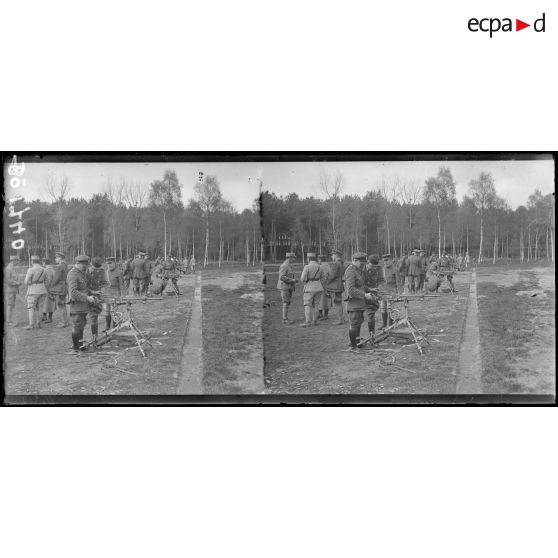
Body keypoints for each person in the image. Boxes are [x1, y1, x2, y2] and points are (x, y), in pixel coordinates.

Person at [343, 252, 378, 351]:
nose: (363, 265)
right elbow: (351, 290)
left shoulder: (359, 271)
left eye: (363, 263)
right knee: (354, 324)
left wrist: (370, 289)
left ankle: (358, 343)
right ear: (354, 260)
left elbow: (361, 286)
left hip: (360, 303)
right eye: (361, 263)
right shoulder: (350, 271)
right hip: (353, 303)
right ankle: (353, 346)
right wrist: (365, 295)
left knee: (358, 323)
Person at [67, 255, 98, 352]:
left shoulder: (80, 273)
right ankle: (76, 349)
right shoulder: (73, 274)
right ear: (77, 264)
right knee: (76, 326)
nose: (86, 268)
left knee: (82, 325)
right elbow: (73, 292)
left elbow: (83, 288)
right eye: (84, 266)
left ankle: (80, 345)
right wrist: (87, 298)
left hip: (83, 305)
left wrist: (92, 292)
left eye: (86, 266)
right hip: (76, 306)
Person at [86, 256, 109, 344]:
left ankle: (94, 338)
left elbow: (105, 283)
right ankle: (79, 340)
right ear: (91, 265)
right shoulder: (86, 271)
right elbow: (83, 286)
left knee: (93, 318)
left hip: (96, 298)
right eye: (95, 269)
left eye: (98, 269)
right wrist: (92, 292)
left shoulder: (102, 271)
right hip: (86, 296)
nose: (97, 270)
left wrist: (102, 290)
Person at [23, 255, 48, 330]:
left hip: (33, 291)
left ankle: (31, 325)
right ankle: (39, 323)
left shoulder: (31, 269)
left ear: (32, 261)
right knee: (40, 308)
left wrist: (31, 282)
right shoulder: (44, 269)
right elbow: (47, 281)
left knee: (31, 307)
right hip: (42, 290)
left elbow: (26, 281)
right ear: (39, 261)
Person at [300, 252, 324, 327]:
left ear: (308, 258)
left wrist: (306, 280)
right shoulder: (320, 266)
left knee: (307, 304)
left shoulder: (307, 267)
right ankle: (315, 321)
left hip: (309, 288)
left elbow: (302, 279)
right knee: (316, 305)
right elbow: (323, 279)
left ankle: (308, 322)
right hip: (319, 287)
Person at [364, 254, 384, 339]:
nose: (374, 268)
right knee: (357, 317)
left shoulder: (378, 269)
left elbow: (381, 280)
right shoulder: (361, 269)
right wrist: (370, 289)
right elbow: (359, 284)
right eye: (372, 266)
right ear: (368, 262)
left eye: (375, 266)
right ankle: (356, 338)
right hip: (361, 294)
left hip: (372, 296)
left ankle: (371, 336)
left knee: (371, 316)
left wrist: (379, 287)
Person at [102, 256, 124, 331]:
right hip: (107, 294)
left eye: (110, 263)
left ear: (114, 263)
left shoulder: (119, 272)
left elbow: (121, 284)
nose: (109, 265)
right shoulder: (106, 272)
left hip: (115, 293)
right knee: (107, 311)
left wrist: (122, 295)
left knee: (114, 311)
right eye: (108, 264)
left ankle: (114, 327)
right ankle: (107, 327)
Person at [49, 252, 70, 327]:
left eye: (56, 258)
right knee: (62, 305)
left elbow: (56, 279)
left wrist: (51, 285)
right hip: (64, 287)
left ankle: (63, 322)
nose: (55, 259)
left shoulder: (60, 266)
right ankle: (65, 321)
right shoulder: (65, 266)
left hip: (59, 288)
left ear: (60, 258)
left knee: (61, 305)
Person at [324, 249, 345, 325]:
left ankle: (340, 320)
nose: (332, 256)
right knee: (339, 302)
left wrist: (326, 283)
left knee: (337, 303)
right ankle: (341, 318)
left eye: (332, 255)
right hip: (339, 285)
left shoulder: (336, 264)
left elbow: (332, 276)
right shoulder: (341, 263)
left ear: (336, 255)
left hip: (335, 286)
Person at [276, 252, 298, 324]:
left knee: (287, 303)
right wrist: (292, 280)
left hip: (288, 287)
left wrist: (293, 280)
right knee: (285, 303)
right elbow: (281, 277)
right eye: (293, 257)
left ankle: (285, 318)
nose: (294, 259)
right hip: (285, 287)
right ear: (290, 258)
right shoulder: (284, 266)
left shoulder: (288, 265)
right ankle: (284, 319)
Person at [381, 253, 399, 329]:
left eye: (387, 260)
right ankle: (384, 324)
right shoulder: (382, 269)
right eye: (384, 261)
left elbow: (398, 282)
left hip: (392, 291)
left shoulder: (395, 269)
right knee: (383, 308)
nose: (386, 262)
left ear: (391, 260)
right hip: (383, 292)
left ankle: (390, 324)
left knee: (390, 308)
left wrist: (400, 292)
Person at [4, 255, 22, 326]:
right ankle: (9, 321)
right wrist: (16, 283)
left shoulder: (12, 268)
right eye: (17, 260)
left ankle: (11, 320)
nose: (18, 262)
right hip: (10, 289)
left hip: (13, 289)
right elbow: (6, 280)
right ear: (14, 260)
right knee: (10, 305)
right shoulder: (8, 269)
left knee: (12, 305)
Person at [41, 258, 56, 323]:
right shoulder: (52, 269)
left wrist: (48, 289)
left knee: (48, 303)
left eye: (42, 262)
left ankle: (49, 318)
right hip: (51, 288)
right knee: (47, 303)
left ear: (44, 263)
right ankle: (45, 317)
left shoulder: (47, 270)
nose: (42, 264)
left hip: (48, 288)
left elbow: (49, 280)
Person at [316, 254, 330, 320]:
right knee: (326, 300)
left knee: (322, 301)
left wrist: (323, 286)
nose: (318, 261)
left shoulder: (322, 267)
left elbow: (323, 277)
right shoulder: (327, 265)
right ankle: (323, 314)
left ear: (320, 260)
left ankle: (323, 315)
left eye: (318, 259)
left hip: (322, 285)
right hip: (327, 285)